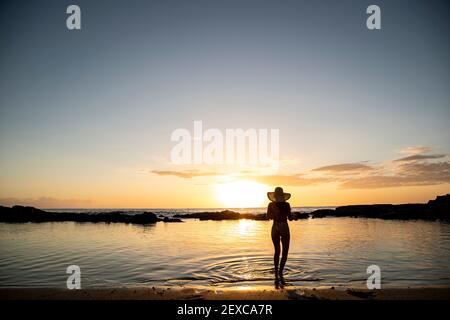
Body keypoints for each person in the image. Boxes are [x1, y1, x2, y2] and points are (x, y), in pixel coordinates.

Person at [266, 187, 292, 279]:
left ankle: (276, 272)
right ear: (282, 195)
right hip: (284, 227)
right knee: (285, 252)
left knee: (277, 251)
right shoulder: (287, 205)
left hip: (275, 227)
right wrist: (295, 216)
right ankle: (281, 272)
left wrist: (274, 215)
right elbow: (290, 218)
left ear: (275, 195)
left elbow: (268, 217)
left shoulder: (270, 205)